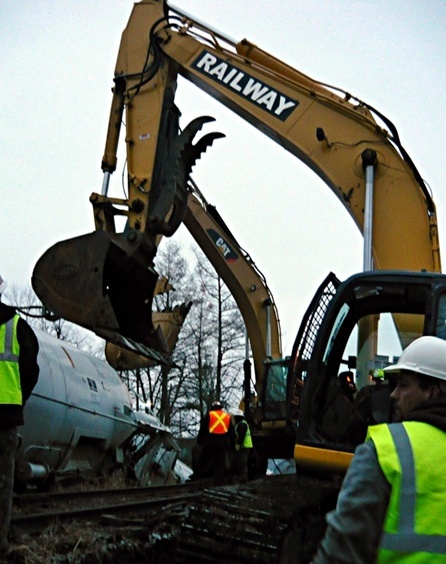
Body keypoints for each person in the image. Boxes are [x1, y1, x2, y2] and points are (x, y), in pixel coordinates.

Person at [312, 336, 446, 563]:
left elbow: (341, 552)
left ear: (432, 393)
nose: (393, 395)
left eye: (404, 386)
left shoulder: (388, 449)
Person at [0, 274, 40, 553]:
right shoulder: (17, 327)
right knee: (3, 481)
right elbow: (31, 370)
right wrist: (18, 398)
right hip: (6, 417)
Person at [197, 401, 235, 485]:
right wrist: (233, 444)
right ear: (221, 408)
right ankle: (218, 481)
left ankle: (199, 476)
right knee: (220, 463)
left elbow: (203, 430)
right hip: (222, 443)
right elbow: (231, 433)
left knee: (204, 460)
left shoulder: (209, 415)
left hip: (210, 442)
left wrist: (200, 441)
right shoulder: (227, 417)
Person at [231, 408, 253, 483]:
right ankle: (242, 478)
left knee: (242, 462)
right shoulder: (242, 423)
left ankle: (243, 479)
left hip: (244, 446)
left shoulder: (242, 424)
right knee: (241, 462)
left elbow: (241, 436)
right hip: (245, 446)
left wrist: (238, 444)